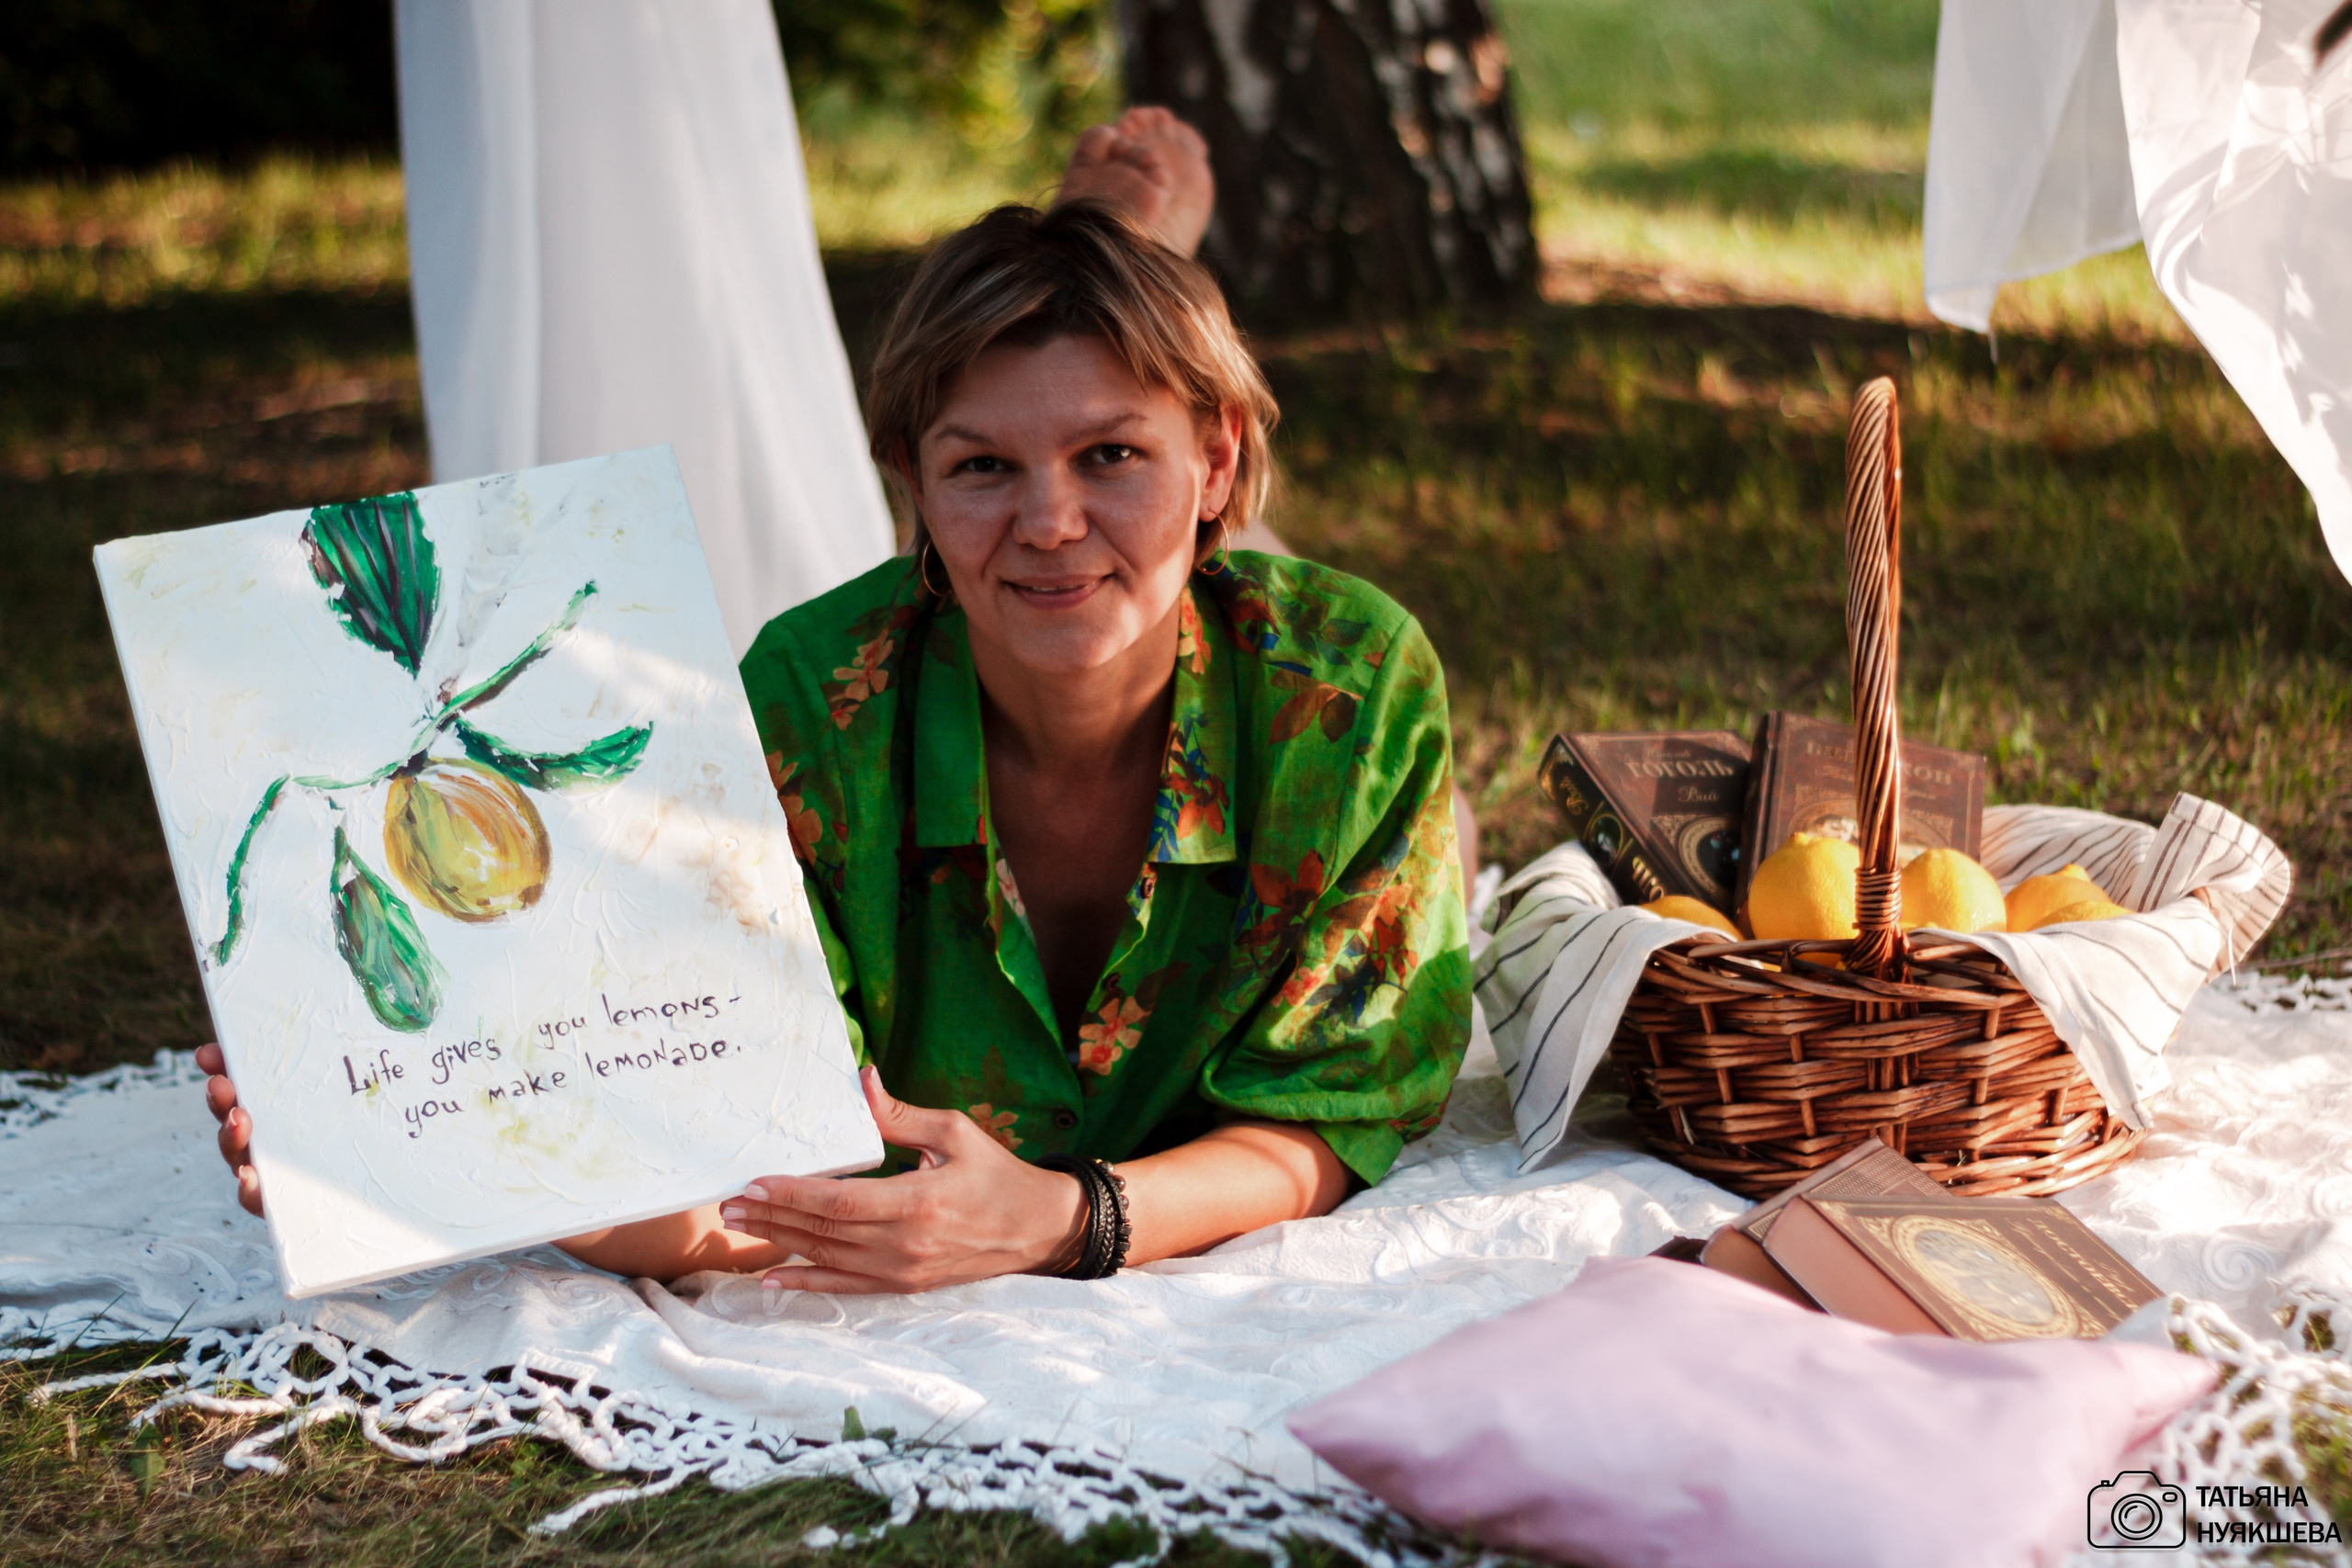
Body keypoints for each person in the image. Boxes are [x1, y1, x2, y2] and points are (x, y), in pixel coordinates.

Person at [202, 122, 1473, 1295]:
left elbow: (1331, 1116)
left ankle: (1119, 249)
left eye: (1112, 454)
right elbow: (723, 1185)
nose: (1046, 521)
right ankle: (1107, 274)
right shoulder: (806, 706)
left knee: (1448, 855)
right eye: (980, 466)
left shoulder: (1353, 693)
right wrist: (428, 1151)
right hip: (940, 670)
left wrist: (1067, 1219)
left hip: (1247, 666)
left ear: (1221, 460)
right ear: (908, 482)